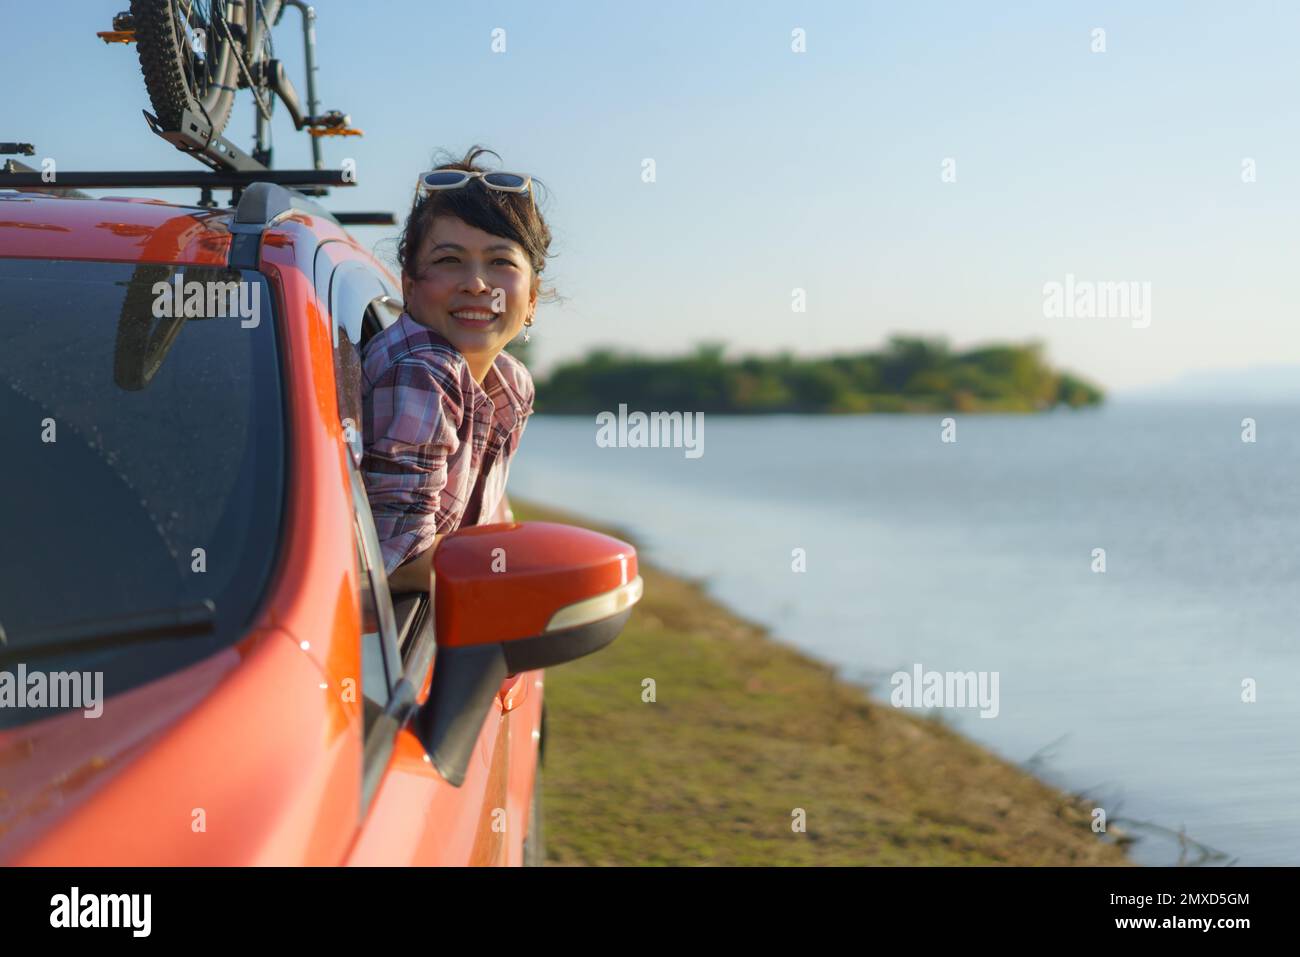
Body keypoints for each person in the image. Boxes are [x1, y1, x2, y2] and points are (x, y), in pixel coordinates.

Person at [361, 145, 554, 593]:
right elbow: (393, 562)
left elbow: (477, 519)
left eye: (501, 261)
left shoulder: (510, 382)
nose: (476, 283)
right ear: (409, 285)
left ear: (532, 299)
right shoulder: (425, 371)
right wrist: (538, 562)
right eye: (449, 260)